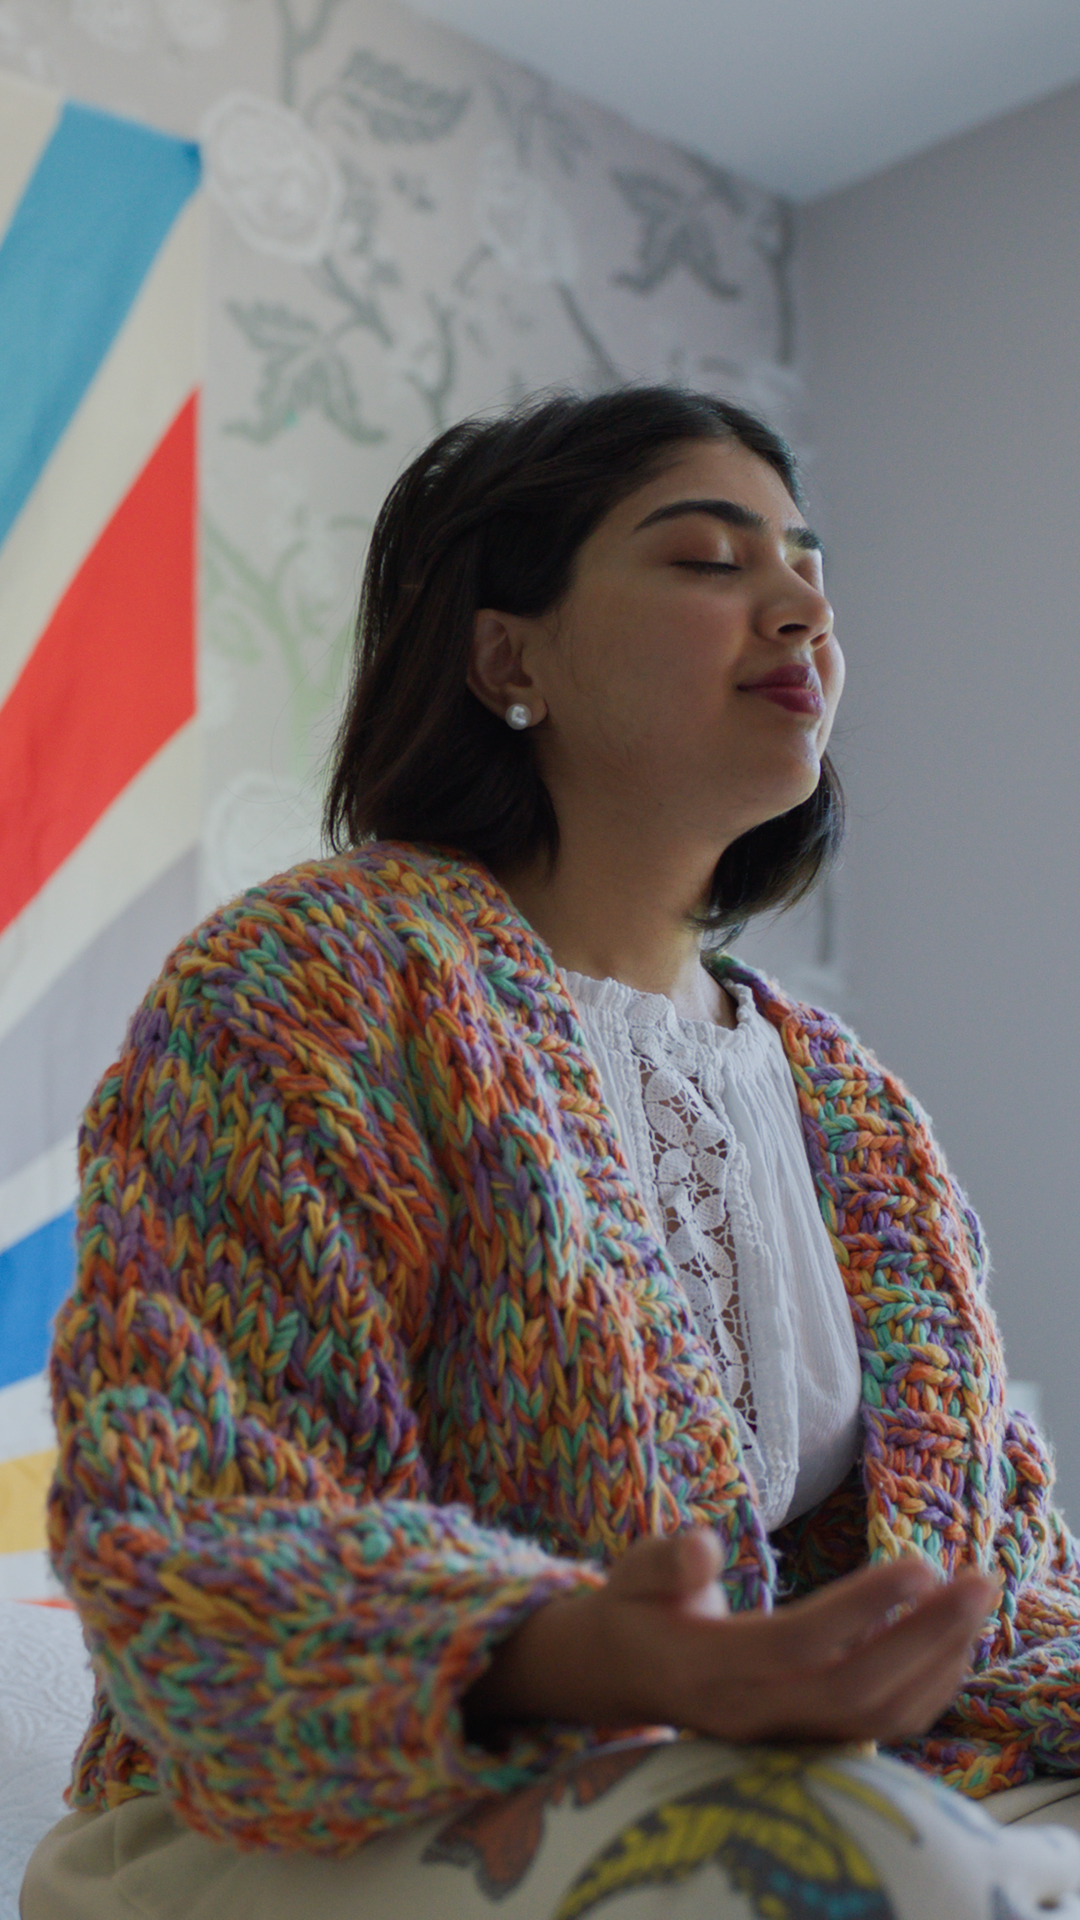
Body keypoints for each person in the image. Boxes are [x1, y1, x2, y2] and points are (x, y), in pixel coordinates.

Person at [22, 388, 1080, 1920]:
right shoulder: (314, 982)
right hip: (305, 1806)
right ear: (509, 655)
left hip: (793, 1775)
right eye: (712, 561)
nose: (800, 608)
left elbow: (1009, 1578)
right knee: (861, 1870)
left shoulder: (860, 1116)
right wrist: (600, 1652)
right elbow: (195, 1531)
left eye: (808, 566)